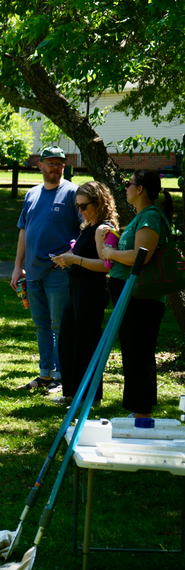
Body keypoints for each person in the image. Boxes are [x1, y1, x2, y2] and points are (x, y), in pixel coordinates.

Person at [99, 169, 175, 419]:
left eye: (129, 184)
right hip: (131, 294)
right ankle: (137, 410)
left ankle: (142, 413)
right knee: (132, 351)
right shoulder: (142, 216)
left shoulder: (150, 217)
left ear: (140, 189)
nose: (126, 188)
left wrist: (110, 254)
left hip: (142, 297)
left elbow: (140, 257)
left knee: (139, 352)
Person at [11, 146, 81, 393]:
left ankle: (62, 376)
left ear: (64, 166)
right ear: (39, 166)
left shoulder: (73, 193)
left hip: (59, 272)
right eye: (50, 162)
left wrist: (71, 255)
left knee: (59, 325)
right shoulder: (31, 194)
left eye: (59, 163)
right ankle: (46, 374)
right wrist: (18, 267)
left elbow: (86, 228)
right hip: (32, 271)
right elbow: (23, 231)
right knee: (41, 324)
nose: (55, 167)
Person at [51, 182, 117, 405]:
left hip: (92, 290)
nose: (81, 211)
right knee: (68, 339)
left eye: (84, 206)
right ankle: (71, 393)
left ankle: (91, 396)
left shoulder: (103, 229)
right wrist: (64, 258)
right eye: (78, 207)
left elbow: (106, 265)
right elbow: (80, 254)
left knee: (86, 342)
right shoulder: (89, 226)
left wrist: (75, 260)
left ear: (98, 203)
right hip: (76, 288)